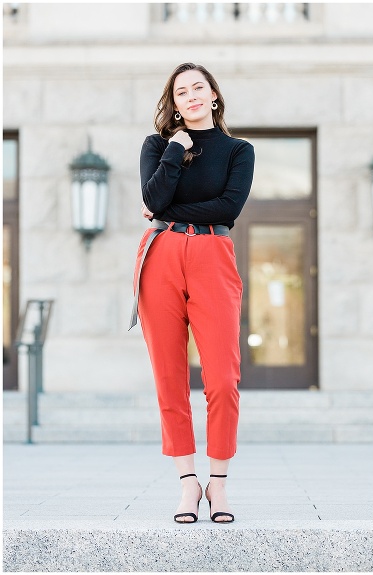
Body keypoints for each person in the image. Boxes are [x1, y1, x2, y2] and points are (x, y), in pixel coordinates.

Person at [130, 62, 255, 522]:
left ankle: (218, 486)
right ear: (174, 102)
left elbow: (228, 206)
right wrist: (174, 152)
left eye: (198, 87)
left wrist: (165, 205)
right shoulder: (157, 146)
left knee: (222, 377)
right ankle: (188, 484)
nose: (191, 96)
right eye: (181, 91)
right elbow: (152, 196)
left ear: (214, 95)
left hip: (212, 255)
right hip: (159, 256)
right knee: (169, 376)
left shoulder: (239, 150)